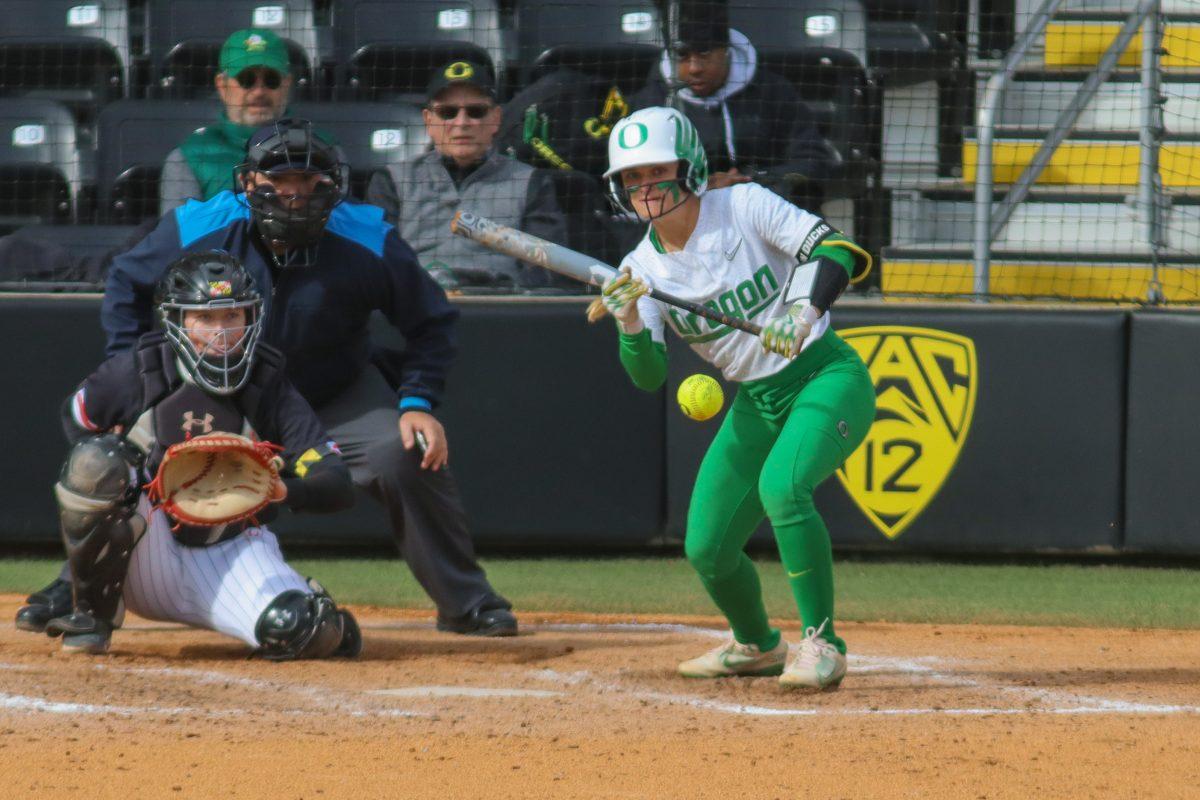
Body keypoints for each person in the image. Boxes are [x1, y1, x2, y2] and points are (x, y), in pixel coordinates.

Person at [16, 118, 518, 639]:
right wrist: (137, 383)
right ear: (249, 183)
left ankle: (466, 600)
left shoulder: (368, 233)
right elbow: (125, 279)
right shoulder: (199, 223)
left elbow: (431, 321)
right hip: (222, 393)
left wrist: (418, 401)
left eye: (308, 181)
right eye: (278, 181)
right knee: (129, 465)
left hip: (334, 390)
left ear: (332, 185)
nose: (294, 194)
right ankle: (76, 586)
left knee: (402, 451)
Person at [593, 107, 874, 689]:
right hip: (756, 402)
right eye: (631, 177)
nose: (644, 187)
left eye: (656, 171)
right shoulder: (638, 269)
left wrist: (803, 310)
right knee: (707, 547)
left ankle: (823, 643)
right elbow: (648, 376)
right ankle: (757, 644)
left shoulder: (742, 206)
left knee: (783, 487)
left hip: (825, 375)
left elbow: (838, 249)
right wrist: (627, 323)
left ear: (689, 165)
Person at [44, 250, 361, 658]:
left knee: (302, 629)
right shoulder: (140, 369)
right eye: (205, 319)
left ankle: (314, 611)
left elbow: (338, 483)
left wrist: (282, 492)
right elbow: (78, 420)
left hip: (232, 547)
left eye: (232, 316)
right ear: (177, 320)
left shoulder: (268, 384)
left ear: (251, 318)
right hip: (146, 545)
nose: (221, 332)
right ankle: (90, 612)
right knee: (96, 461)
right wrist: (119, 472)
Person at [366, 60, 568, 291]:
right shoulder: (392, 180)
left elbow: (546, 272)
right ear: (428, 121)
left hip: (502, 312)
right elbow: (376, 263)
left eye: (476, 111)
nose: (462, 123)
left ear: (495, 118)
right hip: (416, 308)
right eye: (448, 112)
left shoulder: (530, 182)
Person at [629, 1, 833, 209]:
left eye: (704, 53)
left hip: (765, 211)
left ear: (725, 49)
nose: (694, 68)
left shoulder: (772, 92)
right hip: (685, 221)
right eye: (682, 55)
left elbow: (813, 161)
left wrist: (751, 183)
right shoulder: (651, 105)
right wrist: (701, 187)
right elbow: (634, 179)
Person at [159, 28, 295, 216]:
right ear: (222, 85)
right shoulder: (191, 156)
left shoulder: (323, 151)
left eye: (271, 80)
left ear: (286, 84)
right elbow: (179, 237)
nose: (259, 92)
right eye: (246, 80)